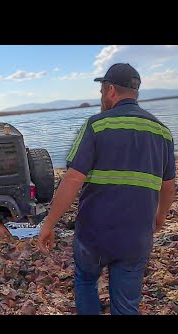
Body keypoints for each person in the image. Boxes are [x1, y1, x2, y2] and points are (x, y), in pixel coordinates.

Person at [36, 63, 176, 315]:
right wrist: (160, 217)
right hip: (136, 237)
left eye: (102, 91)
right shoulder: (162, 132)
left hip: (94, 236)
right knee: (126, 304)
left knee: (86, 280)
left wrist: (49, 224)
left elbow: (71, 180)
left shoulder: (96, 126)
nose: (101, 97)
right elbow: (168, 187)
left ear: (111, 90)